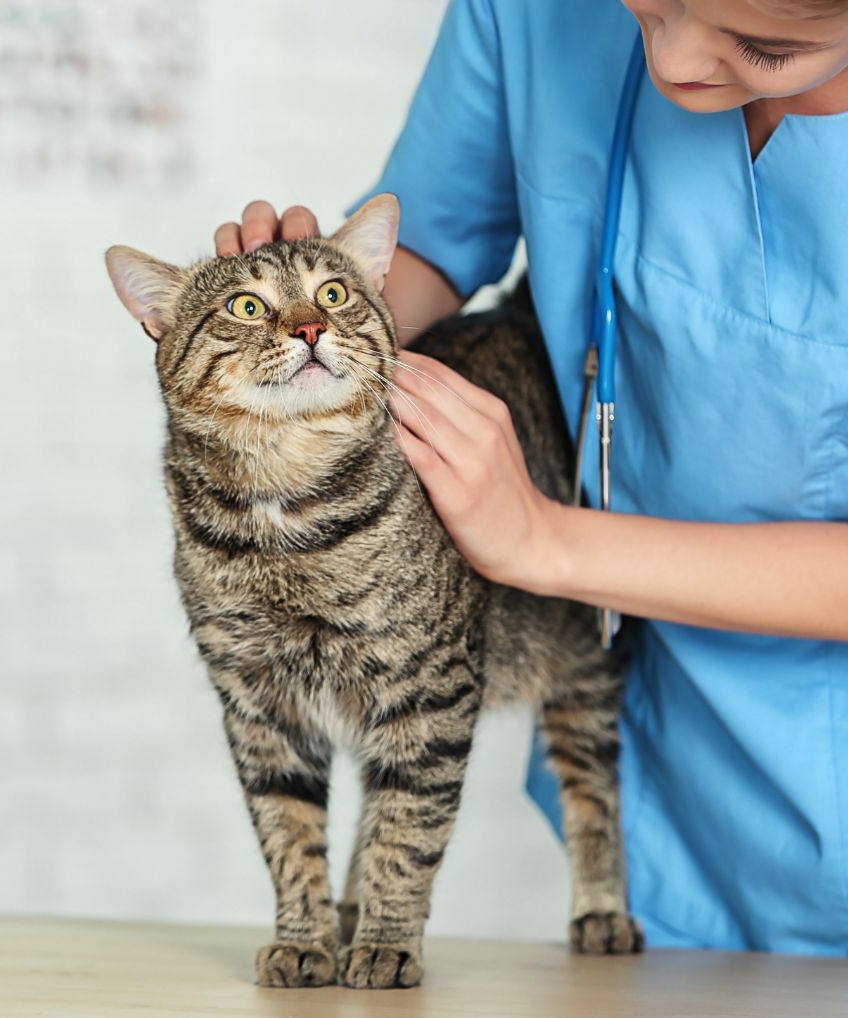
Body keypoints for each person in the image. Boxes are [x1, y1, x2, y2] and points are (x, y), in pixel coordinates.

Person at [212, 0, 848, 954]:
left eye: (766, 47)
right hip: (666, 799)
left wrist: (545, 540)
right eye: (649, 4)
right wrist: (315, 309)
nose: (673, 62)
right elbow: (430, 239)